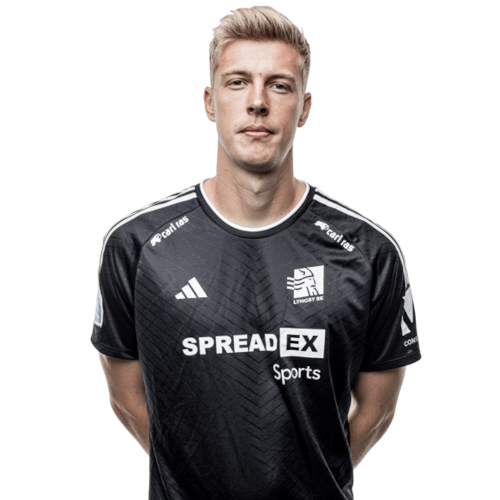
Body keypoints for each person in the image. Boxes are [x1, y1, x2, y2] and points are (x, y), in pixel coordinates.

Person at [90, 6, 421, 500]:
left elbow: (377, 410)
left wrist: (310, 482)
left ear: (305, 108)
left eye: (279, 85)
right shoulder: (135, 245)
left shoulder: (370, 251)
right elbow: (125, 397)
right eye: (238, 82)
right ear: (210, 101)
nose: (258, 103)